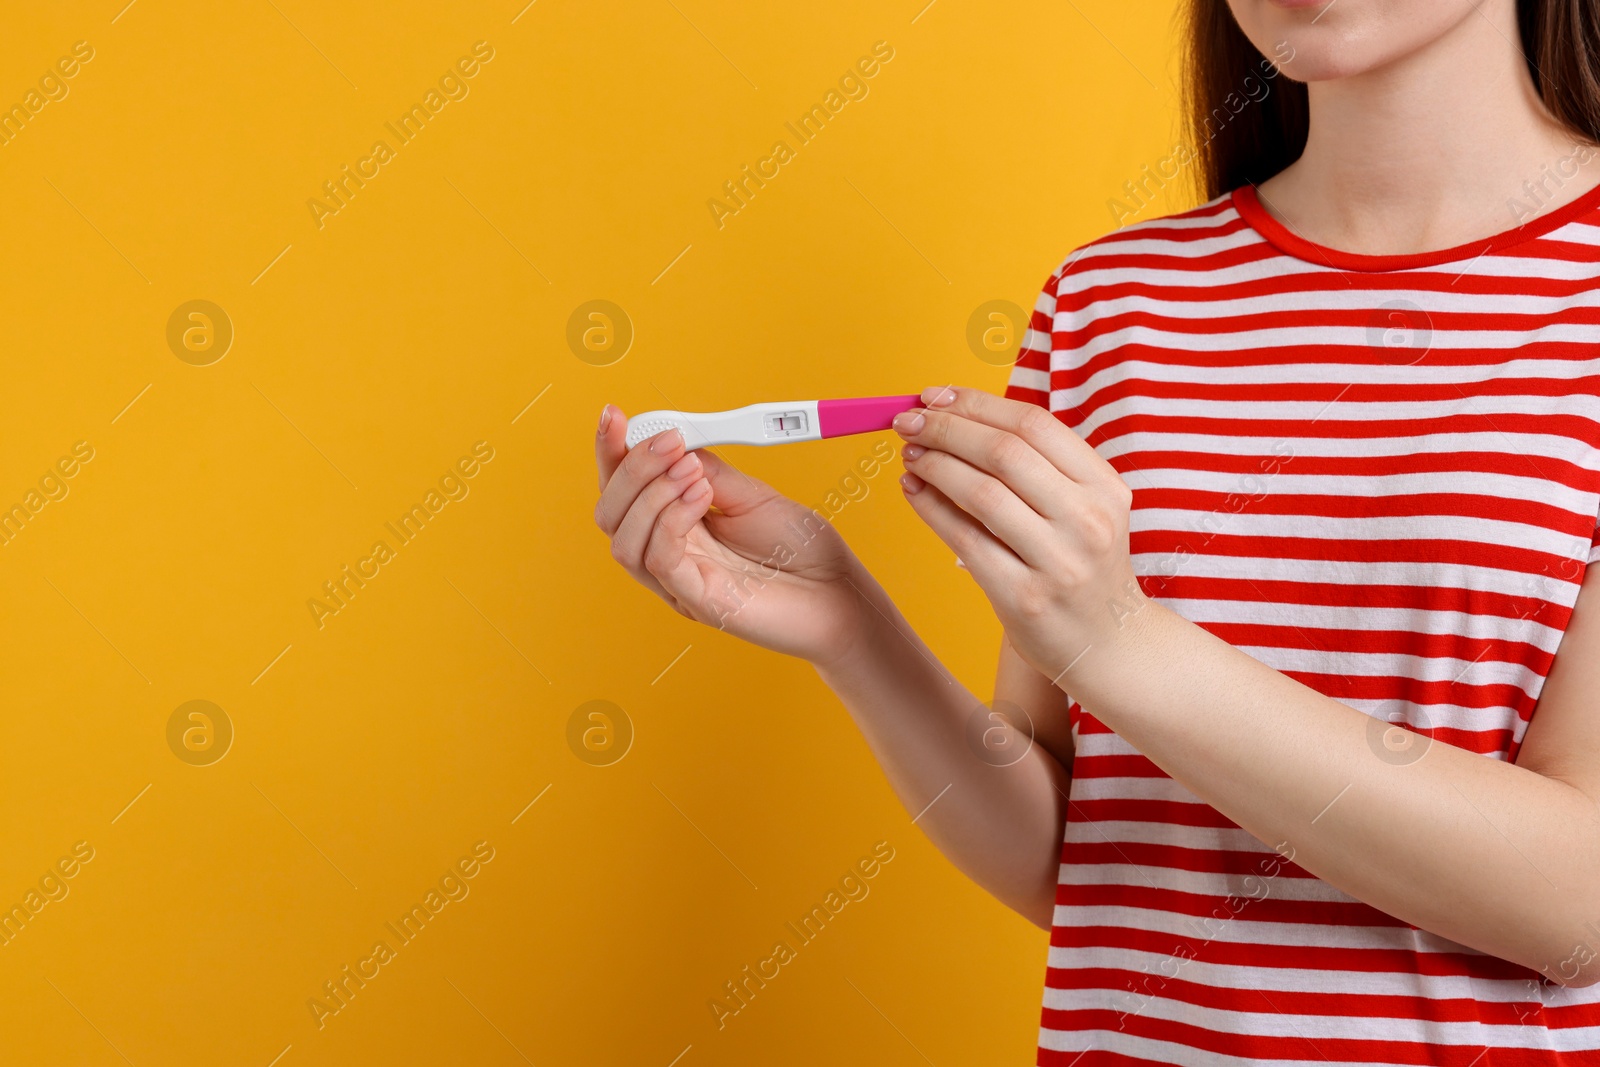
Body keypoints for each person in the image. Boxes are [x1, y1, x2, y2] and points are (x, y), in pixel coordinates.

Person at [593, 0, 1600, 1061]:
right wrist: (848, 624)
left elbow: (1578, 908)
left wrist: (1121, 640)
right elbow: (1078, 861)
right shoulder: (1110, 302)